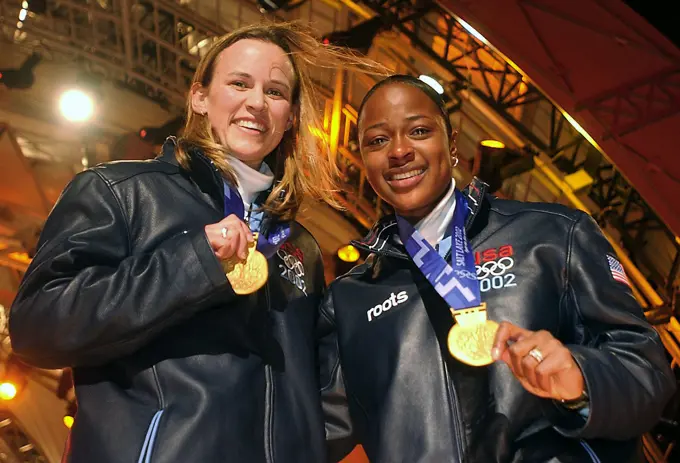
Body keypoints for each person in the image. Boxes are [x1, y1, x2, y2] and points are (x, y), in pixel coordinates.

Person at [9, 22, 380, 463]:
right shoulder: (121, 192)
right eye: (239, 83)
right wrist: (195, 263)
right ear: (199, 97)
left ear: (290, 117)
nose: (256, 102)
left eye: (276, 92)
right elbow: (37, 326)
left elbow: (314, 390)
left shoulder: (300, 246)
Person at [318, 74, 676, 463]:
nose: (399, 150)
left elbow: (647, 370)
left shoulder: (553, 234)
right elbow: (303, 432)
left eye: (419, 131)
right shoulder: (349, 299)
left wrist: (581, 380)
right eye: (377, 140)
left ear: (452, 145)